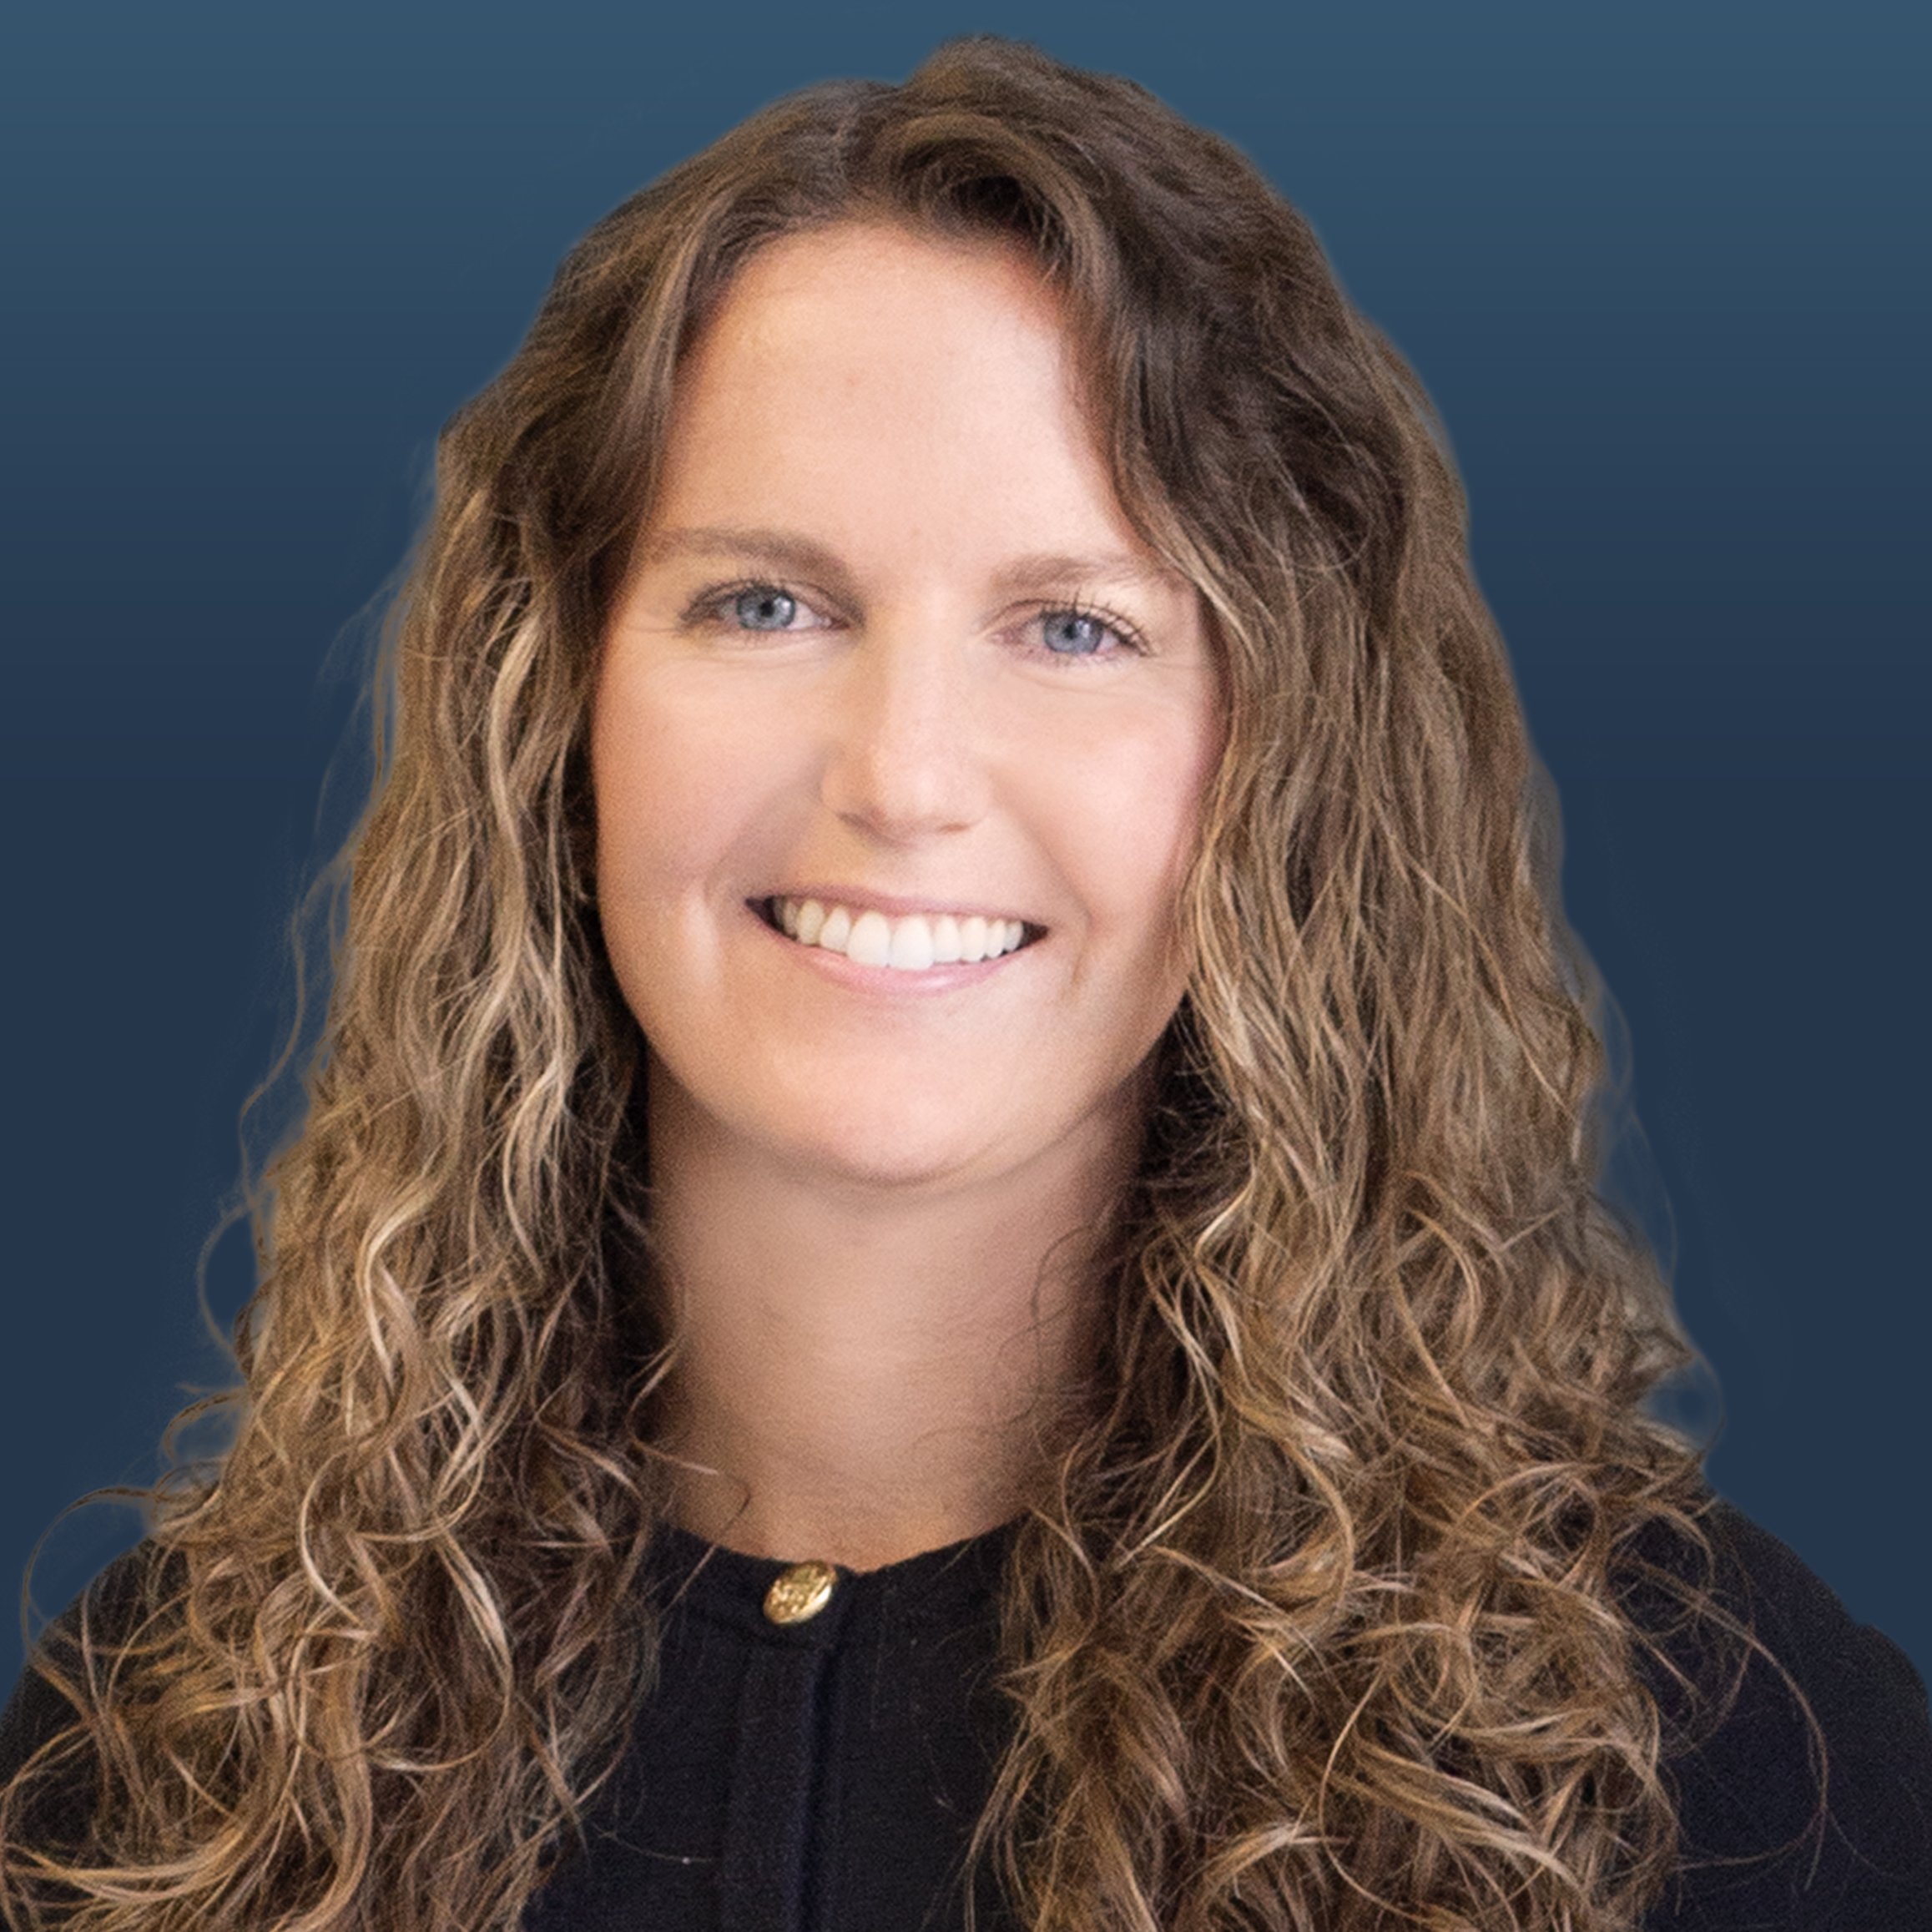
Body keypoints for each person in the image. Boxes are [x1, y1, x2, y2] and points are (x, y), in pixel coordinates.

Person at [2, 34, 1927, 1932]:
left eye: (1075, 626)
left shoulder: (1705, 1760)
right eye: (765, 603)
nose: (902, 777)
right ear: (560, 705)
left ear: (1284, 763)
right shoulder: (170, 1751)